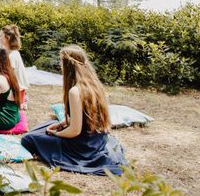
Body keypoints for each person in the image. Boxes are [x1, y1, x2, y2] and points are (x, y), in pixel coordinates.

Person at [20, 45, 127, 175]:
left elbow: (75, 131)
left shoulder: (75, 91)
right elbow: (83, 117)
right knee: (46, 126)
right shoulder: (95, 85)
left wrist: (57, 134)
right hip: (96, 139)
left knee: (29, 138)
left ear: (68, 65)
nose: (59, 65)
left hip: (82, 146)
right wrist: (61, 124)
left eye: (61, 61)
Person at [0, 24, 29, 107]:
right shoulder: (11, 53)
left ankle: (23, 100)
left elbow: (7, 79)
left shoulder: (12, 56)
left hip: (17, 93)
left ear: (7, 38)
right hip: (17, 90)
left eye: (0, 36)